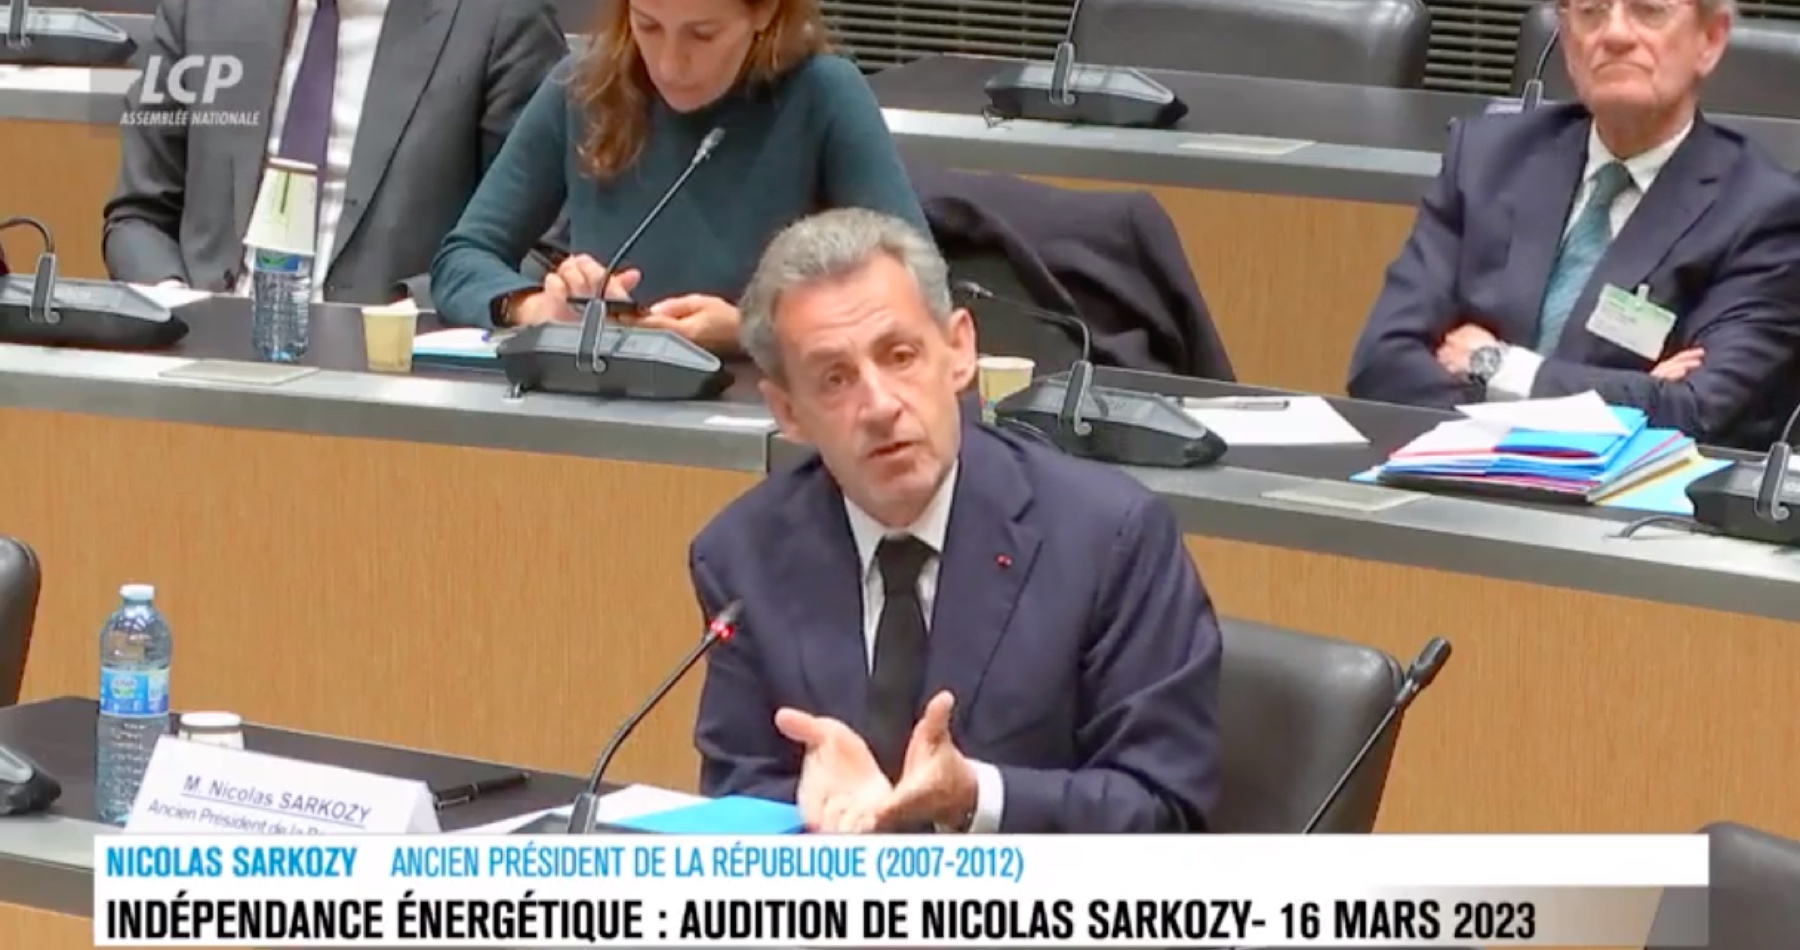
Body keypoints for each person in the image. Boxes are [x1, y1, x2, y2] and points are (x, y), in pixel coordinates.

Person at [687, 208, 1221, 834]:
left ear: (959, 350)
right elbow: (738, 796)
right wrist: (806, 814)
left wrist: (974, 798)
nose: (879, 405)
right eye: (835, 378)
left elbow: (1161, 810)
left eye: (900, 356)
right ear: (787, 411)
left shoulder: (1110, 537)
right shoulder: (742, 556)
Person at [1346, 0, 1800, 448]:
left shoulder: (1763, 210)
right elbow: (1382, 363)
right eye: (1592, 11)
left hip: (1630, 497)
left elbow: (1699, 412)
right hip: (1450, 474)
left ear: (1710, 39)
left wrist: (1497, 367)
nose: (1615, 34)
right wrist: (1633, 394)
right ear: (1566, 37)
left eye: (1649, 11)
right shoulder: (1487, 159)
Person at [427, 0, 928, 353]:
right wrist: (539, 309)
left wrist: (755, 331)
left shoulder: (823, 93)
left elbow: (916, 290)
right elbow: (462, 259)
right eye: (648, 26)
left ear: (764, 12)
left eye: (701, 34)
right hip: (603, 407)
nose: (669, 64)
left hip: (765, 420)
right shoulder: (583, 85)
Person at [102, 0, 567, 305]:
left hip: (396, 373)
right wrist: (179, 305)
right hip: (203, 361)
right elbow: (139, 215)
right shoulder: (204, 9)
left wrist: (417, 311)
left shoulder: (502, 18)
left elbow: (541, 247)